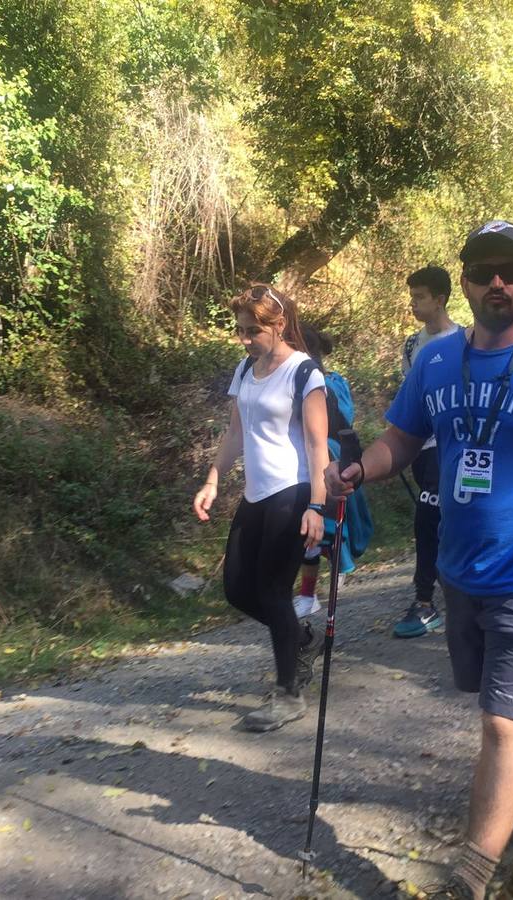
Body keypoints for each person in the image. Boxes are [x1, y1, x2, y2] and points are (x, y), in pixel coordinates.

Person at [327, 221, 513, 898]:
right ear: (462, 281)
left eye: (510, 271)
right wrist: (357, 470)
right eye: (483, 269)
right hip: (461, 571)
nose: (497, 281)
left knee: (500, 721)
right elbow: (401, 439)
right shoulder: (434, 361)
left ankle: (471, 875)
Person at [193, 284, 329, 733]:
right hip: (255, 494)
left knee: (272, 591)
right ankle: (297, 635)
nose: (245, 340)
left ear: (280, 325)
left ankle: (288, 694)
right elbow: (235, 432)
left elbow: (316, 445)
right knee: (236, 589)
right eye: (241, 331)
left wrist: (317, 506)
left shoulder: (304, 373)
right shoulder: (245, 370)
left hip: (292, 493)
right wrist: (213, 478)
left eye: (253, 331)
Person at [394, 265, 461, 638]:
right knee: (430, 519)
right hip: (423, 449)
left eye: (420, 296)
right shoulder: (410, 346)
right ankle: (438, 596)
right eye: (412, 296)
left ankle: (425, 600)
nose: (413, 303)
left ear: (440, 299)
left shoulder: (465, 341)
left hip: (454, 449)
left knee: (432, 518)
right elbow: (409, 399)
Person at [292, 324, 373, 617]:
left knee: (317, 528)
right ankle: (320, 582)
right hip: (328, 456)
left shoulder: (314, 385)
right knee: (320, 528)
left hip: (322, 459)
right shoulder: (335, 382)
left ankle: (308, 594)